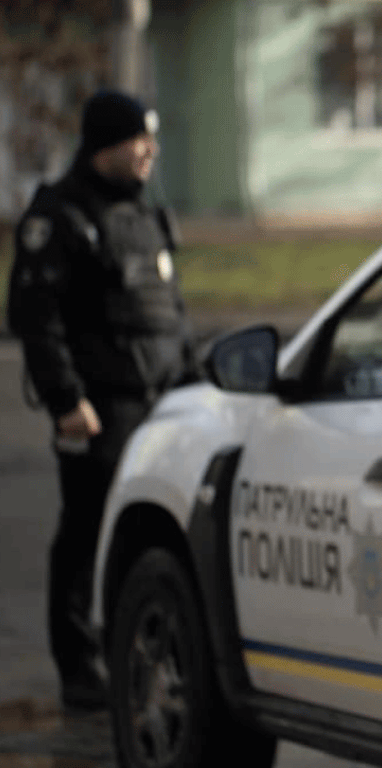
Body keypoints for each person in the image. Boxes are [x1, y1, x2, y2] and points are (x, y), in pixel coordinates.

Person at [6, 88, 198, 712]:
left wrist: (196, 384)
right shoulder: (60, 217)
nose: (150, 151)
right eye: (138, 139)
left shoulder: (145, 216)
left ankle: (139, 655)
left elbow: (171, 315)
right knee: (88, 534)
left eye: (152, 138)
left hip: (162, 406)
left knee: (155, 538)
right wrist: (66, 399)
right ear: (105, 145)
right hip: (99, 409)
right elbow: (36, 319)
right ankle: (79, 666)